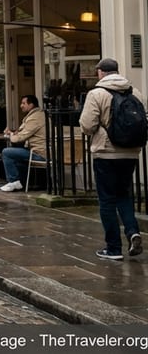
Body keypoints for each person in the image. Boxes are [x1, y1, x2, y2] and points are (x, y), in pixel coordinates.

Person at [79, 58, 144, 261]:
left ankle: (113, 248)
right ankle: (133, 231)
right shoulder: (135, 92)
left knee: (106, 200)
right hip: (131, 152)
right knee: (124, 195)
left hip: (106, 153)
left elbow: (87, 125)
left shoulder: (96, 94)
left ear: (100, 72)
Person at [0, 95, 47, 192]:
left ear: (31, 105)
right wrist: (14, 133)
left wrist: (11, 135)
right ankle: (22, 182)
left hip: (39, 153)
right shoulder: (37, 115)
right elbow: (22, 132)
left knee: (7, 152)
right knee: (16, 157)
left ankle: (13, 181)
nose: (21, 106)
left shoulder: (35, 118)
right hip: (37, 151)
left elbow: (20, 137)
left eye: (24, 103)